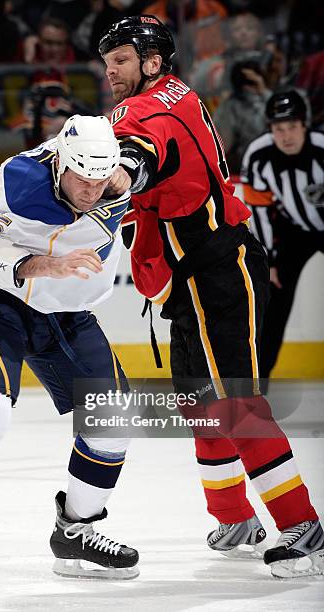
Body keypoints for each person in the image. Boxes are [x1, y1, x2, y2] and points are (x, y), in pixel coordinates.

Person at [98, 15, 324, 578]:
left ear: (153, 61)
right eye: (107, 65)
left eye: (121, 60)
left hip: (221, 267)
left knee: (235, 402)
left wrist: (117, 179)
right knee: (202, 405)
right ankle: (235, 517)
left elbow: (140, 154)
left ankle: (304, 526)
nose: (111, 74)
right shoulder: (174, 95)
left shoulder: (146, 110)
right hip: (195, 275)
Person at [0, 114, 139, 593]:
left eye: (100, 178)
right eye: (82, 177)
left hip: (63, 306)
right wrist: (45, 264)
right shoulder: (19, 181)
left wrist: (126, 172)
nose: (90, 189)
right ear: (60, 161)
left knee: (114, 416)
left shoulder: (117, 177)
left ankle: (75, 531)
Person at [241, 90, 324, 380]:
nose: (286, 135)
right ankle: (256, 394)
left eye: (292, 127)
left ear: (305, 124)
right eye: (278, 128)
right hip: (293, 233)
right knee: (272, 312)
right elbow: (259, 212)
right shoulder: (259, 155)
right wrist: (269, 260)